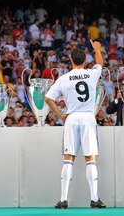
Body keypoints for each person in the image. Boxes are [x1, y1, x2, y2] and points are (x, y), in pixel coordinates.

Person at [44, 40, 106, 209]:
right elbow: (100, 63)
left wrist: (60, 115)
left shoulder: (63, 79)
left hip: (71, 118)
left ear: (71, 60)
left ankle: (63, 199)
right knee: (90, 158)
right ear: (85, 61)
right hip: (87, 117)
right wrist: (97, 49)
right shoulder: (92, 74)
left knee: (68, 158)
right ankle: (94, 199)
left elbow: (48, 98)